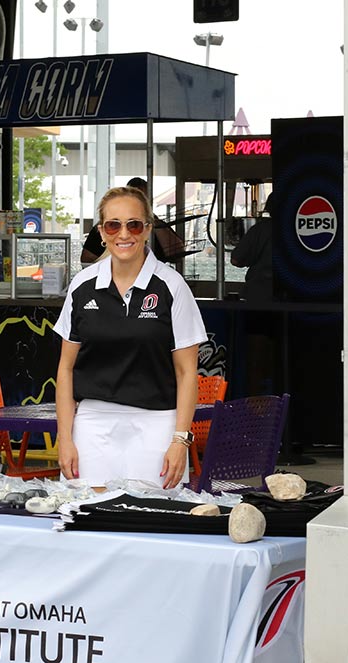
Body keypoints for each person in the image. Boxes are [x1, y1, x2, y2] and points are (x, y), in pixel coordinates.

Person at [54, 185, 207, 488]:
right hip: (93, 423)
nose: (123, 234)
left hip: (157, 423)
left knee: (153, 522)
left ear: (147, 229)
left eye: (133, 224)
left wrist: (181, 440)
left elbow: (187, 372)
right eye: (113, 225)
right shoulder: (82, 286)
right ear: (101, 231)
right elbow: (65, 369)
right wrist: (65, 438)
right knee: (85, 519)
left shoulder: (171, 286)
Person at [80, 178, 186, 265]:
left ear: (147, 230)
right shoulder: (106, 226)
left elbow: (178, 253)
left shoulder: (158, 225)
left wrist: (157, 224)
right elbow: (87, 259)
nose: (124, 235)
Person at [231, 192, 275, 303]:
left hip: (258, 295)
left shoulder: (260, 229)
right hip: (293, 298)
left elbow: (235, 260)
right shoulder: (298, 231)